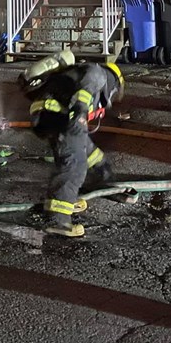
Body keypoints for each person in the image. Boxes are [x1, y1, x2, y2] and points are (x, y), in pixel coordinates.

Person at [20, 50, 126, 238]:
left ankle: (104, 184)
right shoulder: (99, 73)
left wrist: (110, 183)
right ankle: (57, 219)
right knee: (75, 164)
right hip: (61, 116)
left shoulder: (75, 73)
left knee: (89, 152)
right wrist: (80, 111)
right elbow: (88, 87)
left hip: (49, 115)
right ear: (115, 80)